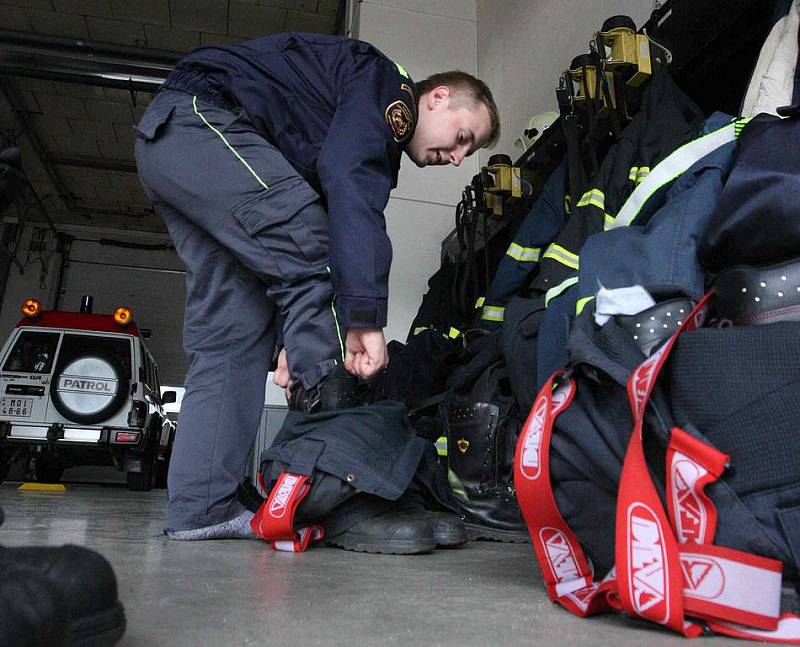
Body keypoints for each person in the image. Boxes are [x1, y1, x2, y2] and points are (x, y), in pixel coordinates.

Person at [135, 32, 499, 552]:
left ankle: (202, 508)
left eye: (470, 150)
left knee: (234, 333)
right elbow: (344, 191)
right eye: (464, 136)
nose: (460, 157)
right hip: (203, 121)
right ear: (436, 97)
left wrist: (290, 339)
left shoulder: (345, 124)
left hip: (182, 147)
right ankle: (336, 480)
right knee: (315, 244)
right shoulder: (388, 88)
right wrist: (364, 318)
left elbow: (293, 227)